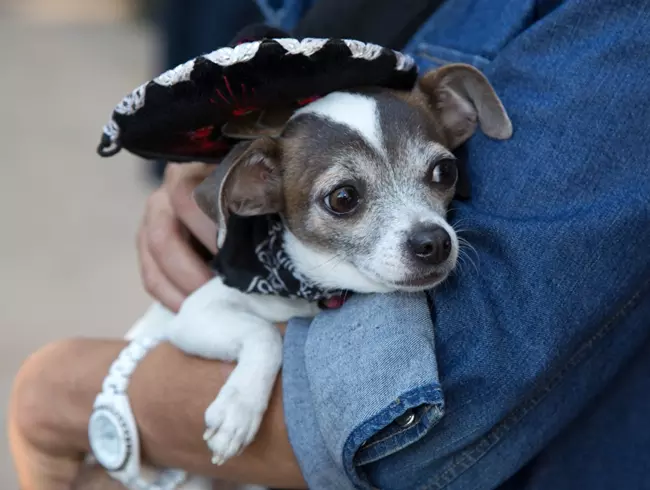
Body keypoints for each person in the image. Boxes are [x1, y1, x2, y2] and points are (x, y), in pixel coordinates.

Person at [9, 0, 650, 489]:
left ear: (461, 118)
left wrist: (67, 391)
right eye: (347, 200)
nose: (426, 230)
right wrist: (204, 148)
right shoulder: (259, 255)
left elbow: (413, 422)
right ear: (254, 190)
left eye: (438, 174)